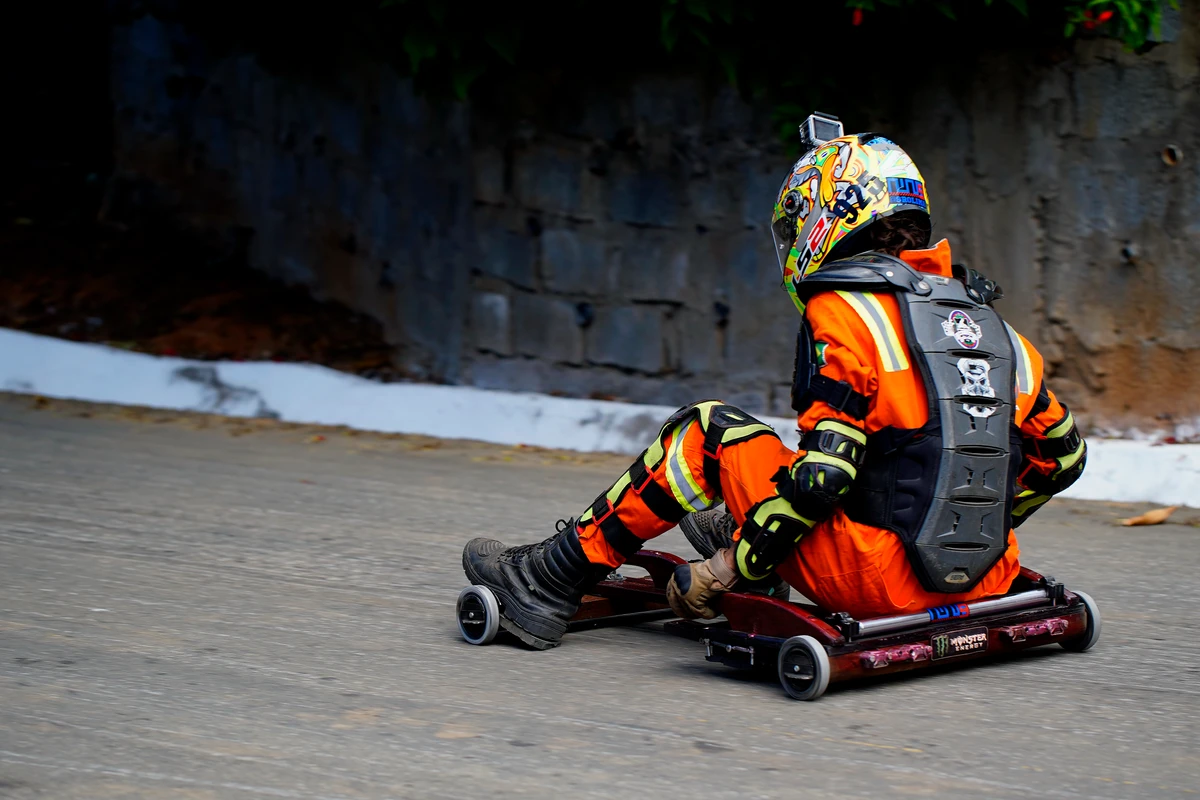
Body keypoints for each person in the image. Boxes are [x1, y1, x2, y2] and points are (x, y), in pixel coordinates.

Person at [462, 122, 1087, 650]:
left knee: (706, 429)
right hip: (981, 581)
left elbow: (827, 477)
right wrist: (978, 527)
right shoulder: (995, 329)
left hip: (867, 581)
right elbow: (1064, 458)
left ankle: (547, 578)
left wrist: (728, 567)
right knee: (829, 461)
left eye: (798, 226)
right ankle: (745, 523)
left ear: (831, 218)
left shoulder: (847, 312)